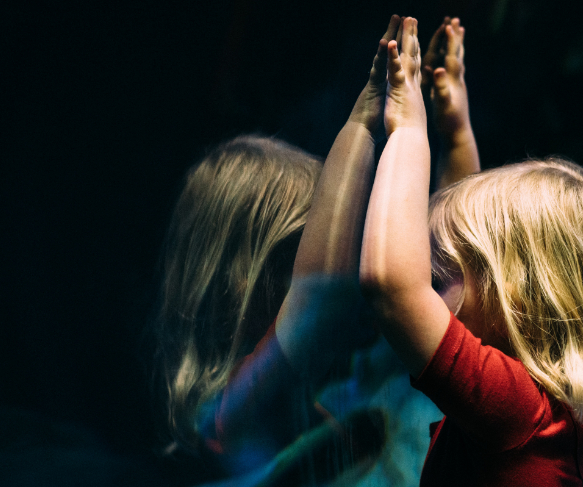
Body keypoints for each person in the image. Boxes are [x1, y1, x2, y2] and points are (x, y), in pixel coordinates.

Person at [360, 17, 583, 486]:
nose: (428, 290)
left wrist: (408, 130)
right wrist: (455, 134)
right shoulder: (534, 414)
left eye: (439, 279)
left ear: (514, 292)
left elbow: (394, 289)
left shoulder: (517, 409)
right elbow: (460, 263)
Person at [154, 16, 421, 485]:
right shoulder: (227, 415)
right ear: (240, 278)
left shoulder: (310, 403)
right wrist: (362, 127)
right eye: (300, 256)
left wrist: (453, 135)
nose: (336, 258)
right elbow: (322, 296)